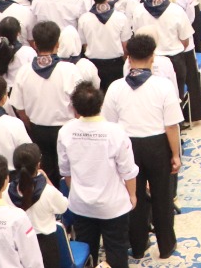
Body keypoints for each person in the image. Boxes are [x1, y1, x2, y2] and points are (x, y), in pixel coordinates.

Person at [102, 35, 182, 261]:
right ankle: (166, 246)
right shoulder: (163, 85)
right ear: (152, 57)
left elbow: (110, 124)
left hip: (128, 146)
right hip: (158, 145)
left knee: (133, 196)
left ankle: (137, 246)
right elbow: (171, 125)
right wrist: (175, 154)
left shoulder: (116, 87)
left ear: (128, 58)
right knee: (162, 196)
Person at [59, 82, 136, 268]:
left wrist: (77, 192)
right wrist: (132, 195)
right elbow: (127, 170)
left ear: (74, 108)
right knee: (117, 252)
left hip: (81, 205)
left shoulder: (66, 131)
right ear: (101, 105)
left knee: (87, 253)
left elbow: (65, 171)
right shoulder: (115, 131)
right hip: (113, 205)